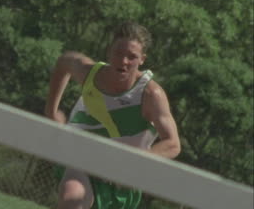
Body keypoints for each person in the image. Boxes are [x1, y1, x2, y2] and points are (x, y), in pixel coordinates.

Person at [45, 21, 181, 209]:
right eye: (118, 53)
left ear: (142, 59)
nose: (123, 61)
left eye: (131, 57)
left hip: (119, 180)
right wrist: (51, 111)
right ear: (109, 51)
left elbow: (173, 144)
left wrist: (132, 164)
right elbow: (64, 62)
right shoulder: (89, 73)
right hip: (79, 157)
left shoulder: (151, 95)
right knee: (73, 198)